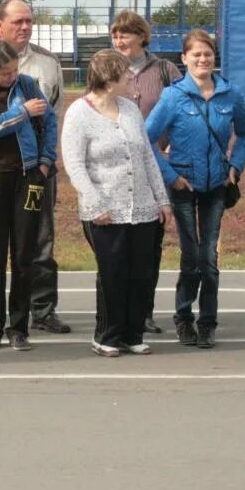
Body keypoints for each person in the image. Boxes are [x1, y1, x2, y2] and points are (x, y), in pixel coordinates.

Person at [0, 0, 68, 336]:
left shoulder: (47, 66)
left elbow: (51, 116)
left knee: (37, 241)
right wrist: (14, 123)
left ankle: (42, 310)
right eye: (17, 21)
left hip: (34, 175)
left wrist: (46, 162)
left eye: (29, 21)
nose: (24, 27)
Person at [145, 29, 245, 349]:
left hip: (217, 184)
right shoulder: (173, 96)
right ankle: (183, 317)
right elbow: (147, 138)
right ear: (184, 58)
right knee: (191, 255)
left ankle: (207, 321)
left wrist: (236, 167)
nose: (203, 59)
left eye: (208, 54)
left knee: (209, 257)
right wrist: (169, 175)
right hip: (183, 183)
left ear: (214, 57)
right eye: (196, 54)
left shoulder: (230, 94)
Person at [62, 50, 172, 356]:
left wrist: (161, 199)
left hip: (143, 208)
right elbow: (74, 164)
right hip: (105, 211)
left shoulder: (130, 109)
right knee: (113, 273)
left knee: (141, 272)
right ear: (109, 79)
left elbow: (147, 155)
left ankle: (132, 333)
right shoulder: (79, 114)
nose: (131, 79)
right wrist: (95, 203)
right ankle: (107, 335)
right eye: (125, 74)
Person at [0, 40, 58, 351]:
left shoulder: (29, 85)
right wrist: (20, 113)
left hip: (28, 179)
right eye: (5, 73)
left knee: (24, 254)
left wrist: (44, 164)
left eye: (15, 71)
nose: (12, 77)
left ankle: (18, 327)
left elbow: (49, 121)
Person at [110, 9, 182, 333]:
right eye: (115, 34)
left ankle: (144, 310)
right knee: (118, 242)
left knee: (148, 244)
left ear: (142, 35)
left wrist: (172, 147)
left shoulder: (166, 70)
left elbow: (184, 108)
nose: (119, 39)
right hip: (117, 170)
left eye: (125, 33)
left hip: (155, 167)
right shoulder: (107, 69)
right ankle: (117, 311)